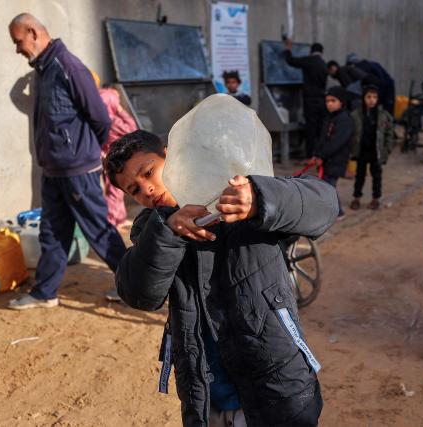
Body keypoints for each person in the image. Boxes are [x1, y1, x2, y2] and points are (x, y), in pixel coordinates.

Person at [105, 129, 335, 426]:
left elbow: (324, 204)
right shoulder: (151, 228)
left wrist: (261, 200)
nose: (146, 189)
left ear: (171, 154)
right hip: (207, 396)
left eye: (149, 172)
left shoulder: (236, 193)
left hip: (277, 386)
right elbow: (139, 293)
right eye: (134, 189)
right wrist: (167, 232)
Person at [7, 13, 126, 308]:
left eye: (18, 41)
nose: (17, 49)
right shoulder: (44, 69)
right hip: (53, 170)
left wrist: (83, 152)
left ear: (33, 32)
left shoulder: (67, 66)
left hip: (77, 171)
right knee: (52, 232)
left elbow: (100, 116)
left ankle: (135, 287)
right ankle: (44, 292)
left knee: (98, 230)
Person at [98, 86, 138, 232]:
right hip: (117, 159)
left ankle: (119, 219)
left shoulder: (99, 120)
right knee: (115, 192)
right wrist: (121, 110)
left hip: (105, 157)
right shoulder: (114, 121)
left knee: (115, 189)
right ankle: (112, 222)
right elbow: (131, 127)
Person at [311, 86, 354, 220]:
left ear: (341, 102)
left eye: (333, 100)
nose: (329, 103)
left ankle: (338, 212)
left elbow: (336, 142)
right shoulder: (329, 118)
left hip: (336, 160)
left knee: (328, 186)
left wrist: (322, 156)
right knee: (326, 185)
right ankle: (333, 211)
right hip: (327, 159)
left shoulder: (344, 120)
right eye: (327, 101)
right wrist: (316, 154)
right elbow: (323, 138)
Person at [349, 85, 394, 210]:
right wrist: (352, 149)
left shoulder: (383, 115)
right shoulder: (356, 115)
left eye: (374, 97)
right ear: (363, 98)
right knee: (360, 175)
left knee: (377, 176)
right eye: (368, 97)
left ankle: (376, 199)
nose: (371, 100)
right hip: (362, 150)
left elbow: (389, 133)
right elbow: (351, 133)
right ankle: (356, 197)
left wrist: (387, 149)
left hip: (376, 151)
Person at [283, 39, 329, 157]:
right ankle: (319, 154)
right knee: (320, 127)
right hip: (322, 99)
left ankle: (310, 155)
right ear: (321, 52)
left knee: (310, 127)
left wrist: (288, 49)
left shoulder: (309, 61)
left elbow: (290, 60)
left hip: (310, 99)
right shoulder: (324, 64)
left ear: (311, 51)